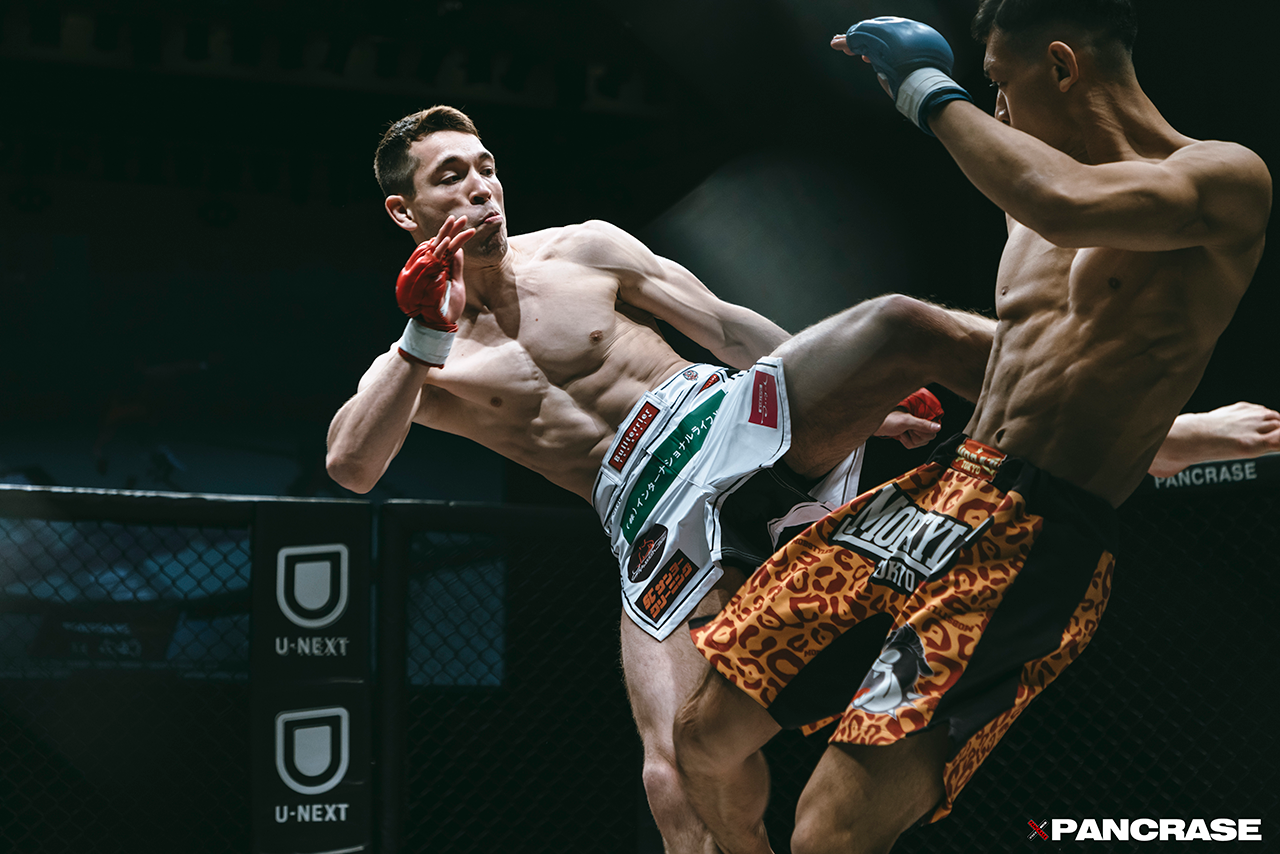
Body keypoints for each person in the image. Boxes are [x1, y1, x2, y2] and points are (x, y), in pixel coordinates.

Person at [326, 106, 1271, 853]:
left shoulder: (583, 248)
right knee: (674, 774)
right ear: (406, 213)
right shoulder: (427, 362)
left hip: (723, 421)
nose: (481, 187)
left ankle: (1164, 435)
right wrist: (423, 337)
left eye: (486, 165)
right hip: (648, 519)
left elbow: (723, 327)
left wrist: (860, 400)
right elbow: (352, 465)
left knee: (900, 326)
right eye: (450, 177)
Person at [671, 4, 1273, 854]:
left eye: (999, 81)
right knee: (703, 735)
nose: (993, 107)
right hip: (944, 488)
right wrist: (1178, 433)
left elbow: (1063, 203)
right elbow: (1048, 359)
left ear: (1061, 67)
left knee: (830, 835)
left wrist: (924, 88)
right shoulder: (1026, 205)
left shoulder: (1223, 179)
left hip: (1033, 535)